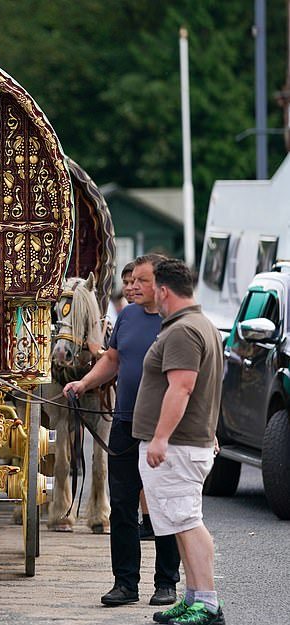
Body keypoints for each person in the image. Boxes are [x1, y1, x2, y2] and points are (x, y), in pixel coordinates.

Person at [63, 254, 181, 608]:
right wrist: (83, 383)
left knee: (162, 506)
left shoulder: (174, 321)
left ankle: (166, 582)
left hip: (161, 426)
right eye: (130, 281)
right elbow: (113, 359)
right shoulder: (127, 316)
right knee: (123, 505)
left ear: (160, 284)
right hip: (125, 422)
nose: (131, 286)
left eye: (140, 281)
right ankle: (125, 583)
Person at [136, 259, 225, 625]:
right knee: (180, 520)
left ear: (164, 290)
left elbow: (184, 386)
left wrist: (160, 438)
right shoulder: (196, 325)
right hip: (184, 443)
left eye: (151, 285)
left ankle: (206, 602)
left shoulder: (184, 331)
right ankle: (193, 597)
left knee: (188, 521)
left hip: (177, 446)